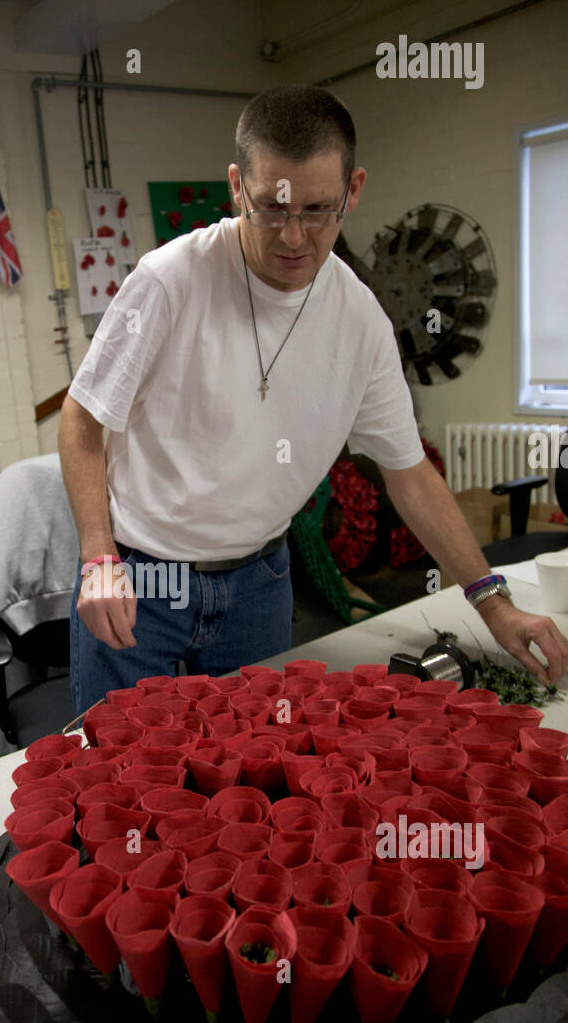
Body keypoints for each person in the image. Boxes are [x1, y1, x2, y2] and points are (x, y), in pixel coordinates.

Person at [58, 84, 568, 716]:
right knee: (117, 781)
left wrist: (494, 604)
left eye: (319, 210)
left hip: (259, 584)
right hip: (141, 578)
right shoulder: (169, 282)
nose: (294, 237)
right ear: (238, 186)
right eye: (272, 209)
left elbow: (409, 475)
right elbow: (82, 419)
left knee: (255, 782)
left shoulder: (360, 322)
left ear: (353, 191)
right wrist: (97, 556)